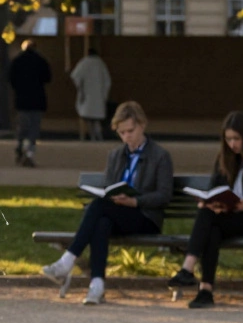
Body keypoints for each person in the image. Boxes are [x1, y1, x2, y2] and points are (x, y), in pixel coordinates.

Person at [40, 101, 174, 304]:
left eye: (130, 130)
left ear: (142, 125)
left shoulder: (160, 156)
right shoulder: (115, 155)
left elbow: (164, 195)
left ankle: (67, 261)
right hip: (116, 213)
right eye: (122, 133)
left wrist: (135, 202)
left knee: (98, 207)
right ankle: (97, 285)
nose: (127, 137)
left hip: (145, 217)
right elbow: (110, 187)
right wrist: (116, 197)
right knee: (101, 222)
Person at [168, 112, 243, 308]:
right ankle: (205, 291)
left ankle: (188, 269)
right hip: (228, 217)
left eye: (236, 139)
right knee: (212, 227)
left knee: (210, 220)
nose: (233, 144)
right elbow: (214, 188)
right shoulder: (226, 158)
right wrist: (210, 202)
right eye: (228, 139)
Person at [7, 39, 52, 167]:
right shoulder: (41, 61)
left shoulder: (17, 61)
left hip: (22, 100)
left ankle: (20, 145)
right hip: (37, 99)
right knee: (34, 127)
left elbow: (11, 79)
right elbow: (48, 78)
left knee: (22, 126)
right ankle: (29, 152)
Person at [70, 48, 112, 142]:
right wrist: (104, 95)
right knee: (96, 119)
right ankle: (99, 137)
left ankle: (89, 137)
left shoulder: (84, 63)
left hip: (86, 95)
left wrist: (80, 88)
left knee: (88, 118)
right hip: (98, 97)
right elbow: (108, 81)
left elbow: (74, 76)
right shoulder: (101, 64)